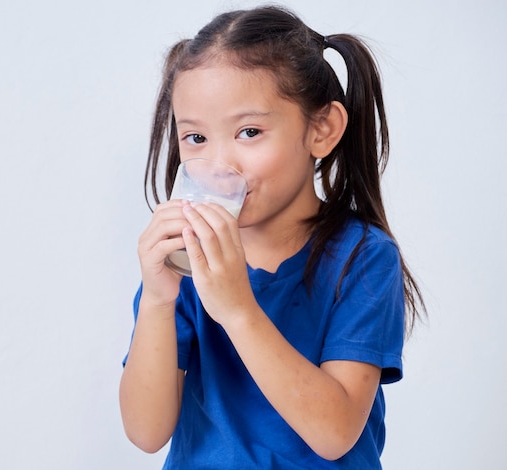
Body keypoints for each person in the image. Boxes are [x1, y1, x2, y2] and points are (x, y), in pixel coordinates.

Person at [119, 5, 424, 469]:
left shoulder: (362, 257)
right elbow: (145, 431)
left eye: (249, 132)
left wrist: (238, 309)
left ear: (321, 130)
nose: (222, 163)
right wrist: (159, 301)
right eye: (196, 139)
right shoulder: (184, 262)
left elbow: (335, 432)